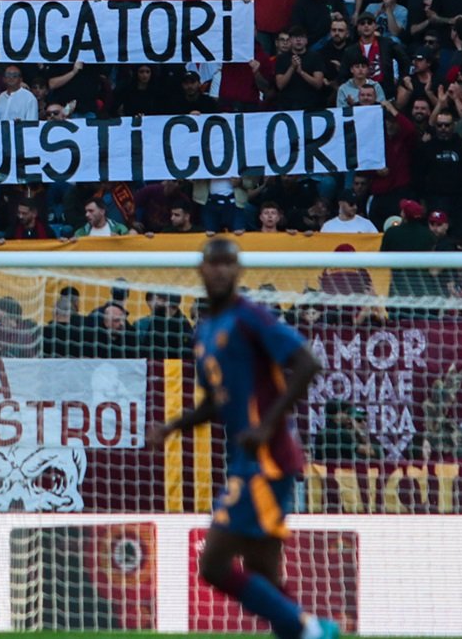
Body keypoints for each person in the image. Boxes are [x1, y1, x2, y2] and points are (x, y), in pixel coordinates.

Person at [146, 239, 334, 639]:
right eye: (213, 264)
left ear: (238, 270)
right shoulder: (205, 331)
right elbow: (217, 402)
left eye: (227, 263)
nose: (219, 271)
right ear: (201, 269)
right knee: (262, 573)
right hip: (245, 461)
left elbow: (306, 364)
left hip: (267, 461)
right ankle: (307, 631)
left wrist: (267, 425)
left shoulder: (251, 318)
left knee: (213, 563)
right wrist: (173, 427)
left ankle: (310, 629)